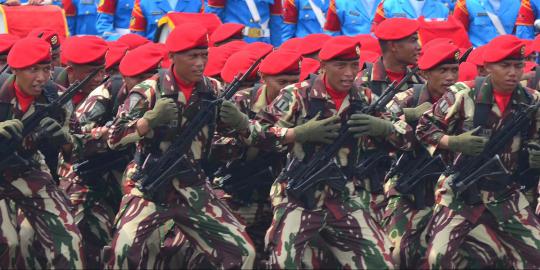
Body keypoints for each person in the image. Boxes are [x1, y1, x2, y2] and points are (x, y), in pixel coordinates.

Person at [223, 36, 410, 268]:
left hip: (344, 194)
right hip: (298, 194)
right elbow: (258, 135)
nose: (349, 73)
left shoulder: (364, 97)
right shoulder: (297, 95)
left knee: (380, 263)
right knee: (283, 262)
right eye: (340, 66)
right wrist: (296, 134)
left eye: (354, 65)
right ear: (322, 66)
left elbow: (408, 137)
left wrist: (386, 128)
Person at [106, 23, 256, 269]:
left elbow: (243, 135)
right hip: (150, 187)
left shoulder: (213, 89)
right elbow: (114, 137)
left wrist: (241, 124)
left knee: (242, 252)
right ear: (172, 57)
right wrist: (148, 121)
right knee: (124, 248)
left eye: (204, 55)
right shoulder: (148, 91)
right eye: (192, 56)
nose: (199, 62)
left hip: (193, 187)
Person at [416, 34, 540, 269]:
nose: (513, 72)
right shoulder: (463, 94)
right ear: (487, 68)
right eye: (505, 66)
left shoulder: (531, 101)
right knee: (438, 258)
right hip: (460, 191)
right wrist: (452, 142)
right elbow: (424, 128)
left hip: (505, 192)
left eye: (518, 65)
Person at [0, 37, 84, 269]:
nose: (41, 77)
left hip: (30, 168)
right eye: (32, 69)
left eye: (46, 69)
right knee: (7, 242)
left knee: (68, 239)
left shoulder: (56, 96)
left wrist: (65, 140)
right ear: (15, 69)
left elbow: (78, 146)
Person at [206, 0, 283, 46]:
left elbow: (276, 22)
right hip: (232, 44)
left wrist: (276, 49)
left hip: (262, 44)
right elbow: (213, 19)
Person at [453, 0, 521, 47]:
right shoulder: (465, 2)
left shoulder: (518, 4)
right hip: (476, 57)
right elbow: (458, 33)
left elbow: (521, 33)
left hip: (507, 58)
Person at [129, 0, 203, 40]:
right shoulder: (142, 2)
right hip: (155, 58)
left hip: (186, 57)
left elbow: (203, 34)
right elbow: (137, 38)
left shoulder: (198, 2)